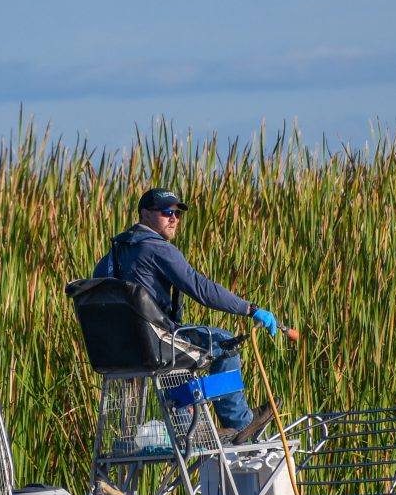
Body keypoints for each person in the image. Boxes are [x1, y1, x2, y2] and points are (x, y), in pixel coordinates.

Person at [92, 187, 279, 441]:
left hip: (121, 352)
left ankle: (189, 426)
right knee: (224, 343)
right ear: (145, 215)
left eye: (177, 213)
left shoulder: (113, 254)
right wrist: (250, 309)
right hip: (155, 344)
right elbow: (200, 288)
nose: (174, 219)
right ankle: (241, 422)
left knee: (176, 358)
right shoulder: (157, 248)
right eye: (166, 212)